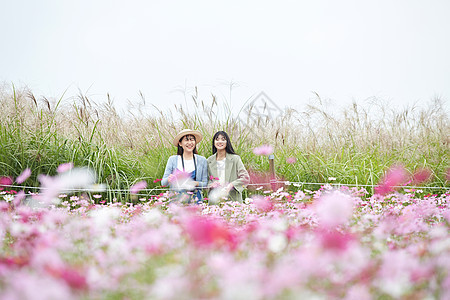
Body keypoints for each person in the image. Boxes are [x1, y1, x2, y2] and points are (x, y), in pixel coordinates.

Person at [161, 129, 208, 203]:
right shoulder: (173, 160)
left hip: (195, 201)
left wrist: (196, 183)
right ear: (180, 143)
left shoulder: (202, 160)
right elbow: (163, 183)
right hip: (176, 201)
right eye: (186, 140)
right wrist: (169, 179)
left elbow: (205, 184)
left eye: (192, 140)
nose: (190, 143)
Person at [207, 131, 250, 203]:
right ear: (214, 142)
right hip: (215, 202)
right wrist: (211, 185)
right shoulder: (209, 161)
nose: (220, 142)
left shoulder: (235, 159)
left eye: (223, 139)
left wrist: (232, 185)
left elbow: (245, 177)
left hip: (233, 200)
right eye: (217, 139)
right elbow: (206, 180)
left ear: (227, 142)